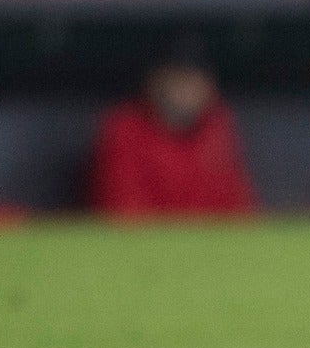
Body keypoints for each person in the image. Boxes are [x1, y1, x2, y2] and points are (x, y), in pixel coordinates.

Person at [89, 48, 258, 219]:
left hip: (207, 241)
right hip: (145, 242)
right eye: (177, 79)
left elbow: (239, 213)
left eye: (195, 80)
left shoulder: (218, 128)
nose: (186, 90)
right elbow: (125, 214)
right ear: (154, 81)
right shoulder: (125, 129)